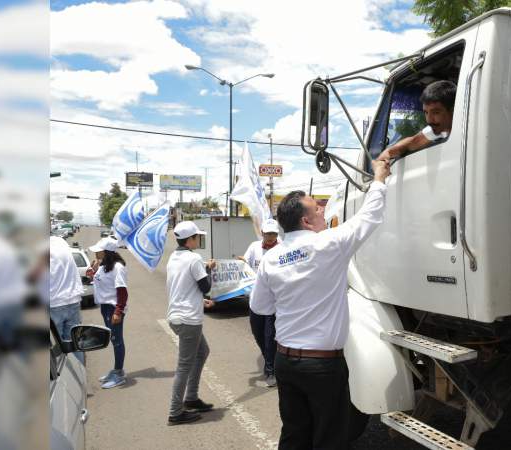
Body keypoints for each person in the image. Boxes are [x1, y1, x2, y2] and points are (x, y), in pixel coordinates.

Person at [251, 160, 391, 450]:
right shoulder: (329, 244)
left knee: (294, 434)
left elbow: (261, 308)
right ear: (306, 221)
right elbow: (370, 214)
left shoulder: (271, 258)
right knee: (329, 438)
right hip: (323, 365)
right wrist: (379, 177)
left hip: (286, 361)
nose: (323, 212)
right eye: (317, 209)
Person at [165, 221, 217, 425]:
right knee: (184, 366)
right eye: (197, 237)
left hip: (177, 315)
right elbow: (206, 287)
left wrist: (199, 301)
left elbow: (183, 287)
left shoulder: (174, 257)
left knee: (202, 352)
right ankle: (175, 412)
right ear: (190, 240)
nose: (199, 240)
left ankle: (191, 398)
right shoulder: (194, 259)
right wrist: (208, 269)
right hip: (189, 320)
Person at [239, 218, 281, 387]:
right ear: (262, 233)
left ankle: (270, 371)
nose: (271, 237)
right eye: (268, 234)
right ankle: (270, 359)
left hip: (274, 303)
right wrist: (240, 263)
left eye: (274, 234)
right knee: (258, 335)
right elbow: (245, 264)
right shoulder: (254, 247)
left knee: (270, 337)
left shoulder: (282, 248)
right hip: (255, 301)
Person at [376, 80, 456, 161]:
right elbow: (412, 142)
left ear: (453, 110)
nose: (429, 120)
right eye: (426, 112)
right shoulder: (437, 129)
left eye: (436, 112)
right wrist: (386, 155)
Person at [88, 237, 129, 389]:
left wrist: (118, 311)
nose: (96, 253)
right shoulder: (103, 265)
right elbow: (98, 280)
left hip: (113, 308)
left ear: (106, 252)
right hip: (105, 307)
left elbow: (122, 292)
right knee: (113, 339)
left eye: (99, 251)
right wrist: (92, 271)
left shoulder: (118, 267)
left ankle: (119, 374)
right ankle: (116, 370)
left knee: (117, 340)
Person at [49, 236, 84, 360]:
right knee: (74, 344)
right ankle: (79, 370)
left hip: (54, 303)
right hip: (73, 301)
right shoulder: (62, 245)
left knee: (55, 349)